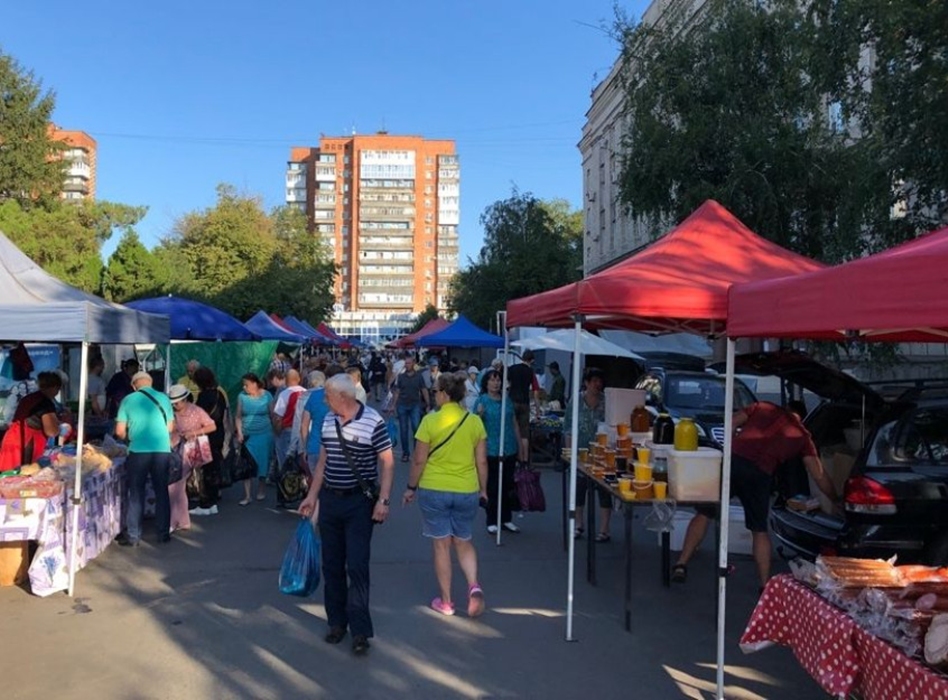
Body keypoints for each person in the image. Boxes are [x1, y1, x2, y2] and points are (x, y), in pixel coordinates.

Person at [671, 401, 838, 588]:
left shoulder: (764, 407)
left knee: (704, 513)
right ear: (802, 417)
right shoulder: (802, 435)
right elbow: (818, 474)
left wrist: (734, 445)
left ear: (787, 407)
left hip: (734, 463)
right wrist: (835, 499)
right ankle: (764, 584)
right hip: (761, 475)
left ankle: (681, 564)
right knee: (759, 530)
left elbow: (732, 422)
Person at [298, 374, 395, 656]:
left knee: (357, 565)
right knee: (332, 564)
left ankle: (360, 629)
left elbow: (387, 463)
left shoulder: (373, 420)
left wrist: (384, 501)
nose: (324, 400)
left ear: (343, 397)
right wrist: (312, 496)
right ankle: (337, 623)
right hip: (330, 499)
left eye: (327, 396)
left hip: (359, 504)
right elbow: (323, 463)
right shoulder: (328, 420)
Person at [402, 371, 489, 617]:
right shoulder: (474, 422)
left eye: (436, 391)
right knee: (463, 540)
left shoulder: (430, 421)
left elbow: (419, 461)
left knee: (441, 545)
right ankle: (473, 585)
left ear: (444, 394)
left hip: (435, 488)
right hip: (466, 489)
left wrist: (410, 488)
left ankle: (447, 602)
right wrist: (483, 489)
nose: (434, 394)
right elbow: (481, 461)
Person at [115, 371, 174, 546]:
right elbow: (170, 428)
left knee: (136, 493)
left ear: (134, 385)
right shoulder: (164, 398)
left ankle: (133, 536)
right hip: (162, 450)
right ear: (151, 383)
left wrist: (129, 437)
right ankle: (163, 533)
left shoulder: (127, 400)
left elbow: (119, 431)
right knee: (161, 491)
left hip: (138, 452)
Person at [474, 368, 526, 534]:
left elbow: (514, 423)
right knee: (492, 486)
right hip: (491, 449)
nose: (496, 383)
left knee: (508, 485)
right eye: (492, 380)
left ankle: (506, 518)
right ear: (486, 383)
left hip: (509, 447)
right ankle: (491, 519)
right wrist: (479, 415)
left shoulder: (507, 401)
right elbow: (475, 426)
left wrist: (520, 446)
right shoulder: (481, 401)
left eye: (498, 380)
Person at [566, 367, 612, 542]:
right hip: (581, 450)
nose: (597, 385)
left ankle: (604, 528)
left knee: (604, 490)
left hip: (601, 452)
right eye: (594, 381)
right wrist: (570, 454)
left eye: (600, 382)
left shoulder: (606, 402)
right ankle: (578, 524)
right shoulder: (576, 401)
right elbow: (568, 427)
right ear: (586, 382)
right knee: (579, 488)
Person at [167, 384, 216, 533]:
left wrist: (195, 432)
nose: (175, 405)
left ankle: (175, 521)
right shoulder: (171, 413)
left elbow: (212, 426)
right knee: (177, 486)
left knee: (175, 485)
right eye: (173, 402)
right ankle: (182, 520)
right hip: (175, 449)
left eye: (177, 402)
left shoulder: (196, 410)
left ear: (184, 399)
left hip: (191, 450)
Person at [0, 371, 63, 470]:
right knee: (22, 479)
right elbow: (51, 431)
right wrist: (62, 426)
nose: (57, 392)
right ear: (54, 387)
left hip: (12, 440)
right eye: (58, 389)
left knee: (8, 479)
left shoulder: (30, 398)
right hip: (25, 445)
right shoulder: (45, 403)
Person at [193, 367, 229, 515]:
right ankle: (214, 499)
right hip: (218, 432)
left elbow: (199, 416)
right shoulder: (219, 394)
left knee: (206, 468)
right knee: (214, 466)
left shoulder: (203, 396)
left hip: (206, 435)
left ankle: (206, 503)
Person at [235, 372, 274, 506]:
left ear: (255, 384)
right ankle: (247, 495)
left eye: (246, 385)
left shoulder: (267, 395)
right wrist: (239, 432)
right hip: (248, 435)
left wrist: (276, 431)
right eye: (243, 385)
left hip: (265, 433)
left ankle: (261, 488)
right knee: (247, 464)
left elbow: (272, 414)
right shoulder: (242, 397)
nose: (244, 388)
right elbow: (238, 416)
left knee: (263, 462)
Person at [389, 355, 429, 463]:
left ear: (413, 364)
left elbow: (424, 389)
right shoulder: (401, 377)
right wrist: (393, 405)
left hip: (415, 405)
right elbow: (397, 392)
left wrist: (428, 403)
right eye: (406, 363)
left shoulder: (419, 377)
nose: (407, 365)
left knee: (416, 429)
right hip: (402, 405)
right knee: (404, 430)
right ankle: (405, 453)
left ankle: (416, 452)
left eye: (409, 363)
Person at [507, 350, 539, 457]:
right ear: (532, 360)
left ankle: (513, 456)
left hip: (512, 401)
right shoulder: (531, 372)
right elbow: (535, 392)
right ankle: (524, 459)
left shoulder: (512, 369)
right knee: (524, 433)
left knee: (512, 430)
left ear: (522, 358)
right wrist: (538, 412)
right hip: (524, 403)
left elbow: (506, 385)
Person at [272, 368, 305, 469]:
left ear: (286, 380)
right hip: (304, 431)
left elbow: (278, 416)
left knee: (285, 461)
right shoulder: (307, 393)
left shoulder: (284, 394)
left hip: (287, 431)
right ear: (299, 379)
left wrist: (277, 432)